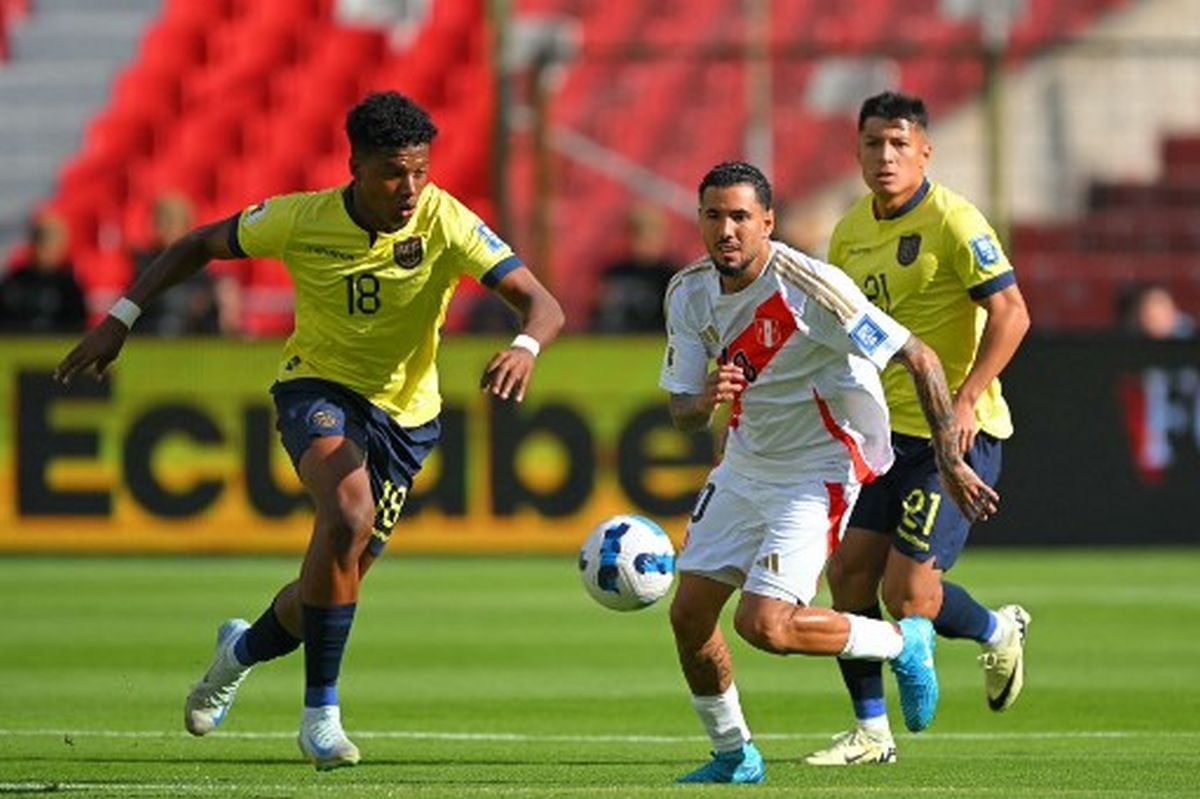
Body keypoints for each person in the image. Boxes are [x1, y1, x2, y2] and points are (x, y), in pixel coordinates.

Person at [55, 91, 565, 770]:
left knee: (329, 578)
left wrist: (525, 346)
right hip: (316, 389)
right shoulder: (300, 218)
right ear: (354, 164)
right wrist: (121, 316)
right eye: (392, 172)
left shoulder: (446, 221)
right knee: (348, 510)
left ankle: (236, 653)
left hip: (407, 419)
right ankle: (320, 715)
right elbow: (195, 243)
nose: (409, 187)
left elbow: (543, 303)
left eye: (420, 170)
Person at [661, 161, 999, 784]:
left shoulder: (811, 287)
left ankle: (903, 643)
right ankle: (736, 754)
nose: (727, 230)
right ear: (700, 221)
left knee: (764, 625)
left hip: (816, 468)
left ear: (768, 222)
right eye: (714, 216)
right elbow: (681, 410)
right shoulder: (687, 292)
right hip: (744, 463)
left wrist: (950, 458)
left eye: (741, 217)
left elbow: (917, 356)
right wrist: (704, 396)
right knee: (688, 616)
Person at [805, 91, 1032, 767]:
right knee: (847, 576)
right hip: (881, 436)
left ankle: (997, 629)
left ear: (925, 150)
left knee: (909, 594)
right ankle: (871, 732)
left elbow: (1013, 313)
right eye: (873, 143)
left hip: (957, 434)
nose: (886, 156)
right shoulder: (847, 233)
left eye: (900, 143)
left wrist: (961, 403)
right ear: (857, 150)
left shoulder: (955, 220)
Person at [129, 192, 241, 336]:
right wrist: (193, 301)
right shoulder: (145, 262)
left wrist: (220, 292)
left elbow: (208, 289)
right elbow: (156, 301)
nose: (168, 228)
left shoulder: (195, 263)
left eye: (175, 222)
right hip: (156, 329)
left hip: (190, 330)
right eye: (165, 222)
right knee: (171, 323)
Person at [590, 202, 680, 332]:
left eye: (650, 234)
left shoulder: (671, 275)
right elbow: (599, 313)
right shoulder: (615, 272)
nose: (643, 242)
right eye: (638, 234)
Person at [0, 210, 87, 334]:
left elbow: (76, 325)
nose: (45, 252)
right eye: (42, 243)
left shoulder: (68, 286)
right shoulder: (14, 281)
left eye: (51, 244)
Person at [1116, 281, 1196, 340]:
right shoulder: (1127, 345)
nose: (1167, 313)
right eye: (1158, 305)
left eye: (1168, 307)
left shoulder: (1189, 337)